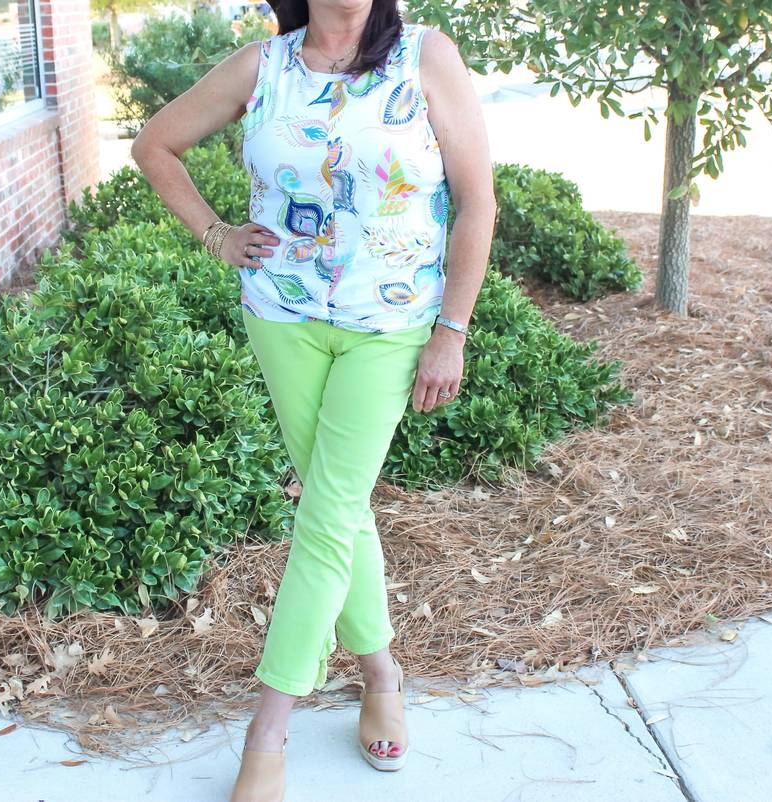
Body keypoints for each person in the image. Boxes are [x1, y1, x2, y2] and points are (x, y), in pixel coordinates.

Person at [131, 1, 494, 799]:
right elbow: (153, 145)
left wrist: (453, 330)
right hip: (282, 320)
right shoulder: (263, 67)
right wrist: (216, 235)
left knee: (327, 513)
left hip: (389, 325)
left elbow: (478, 201)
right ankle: (382, 674)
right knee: (339, 506)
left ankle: (268, 729)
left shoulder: (426, 57)